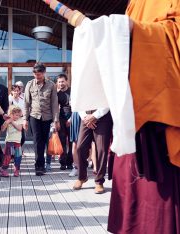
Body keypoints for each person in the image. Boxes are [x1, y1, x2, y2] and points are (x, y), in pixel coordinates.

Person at [44, 0, 180, 233]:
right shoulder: (135, 3)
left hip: (162, 117)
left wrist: (130, 30)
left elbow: (173, 38)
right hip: (130, 118)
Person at [23, 63, 60, 176]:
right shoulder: (29, 84)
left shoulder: (51, 85)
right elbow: (26, 103)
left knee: (45, 141)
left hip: (47, 117)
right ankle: (38, 166)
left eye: (39, 74)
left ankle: (44, 164)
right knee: (37, 141)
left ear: (44, 73)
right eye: (35, 74)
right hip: (34, 116)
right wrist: (25, 119)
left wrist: (55, 120)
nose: (37, 76)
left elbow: (54, 103)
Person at [72, 109, 113, 194]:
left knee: (101, 149)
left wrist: (95, 116)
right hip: (85, 117)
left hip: (103, 117)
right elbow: (79, 100)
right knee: (80, 147)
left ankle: (99, 181)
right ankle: (82, 177)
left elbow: (108, 100)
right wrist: (85, 117)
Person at [0, 105, 24, 177]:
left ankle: (16, 170)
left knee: (18, 156)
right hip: (9, 141)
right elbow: (2, 129)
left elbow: (19, 128)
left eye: (19, 115)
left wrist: (12, 122)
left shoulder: (20, 120)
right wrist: (6, 122)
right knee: (7, 156)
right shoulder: (8, 120)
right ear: (11, 114)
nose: (17, 117)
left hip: (17, 142)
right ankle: (3, 170)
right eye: (16, 115)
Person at [56, 74, 73, 170]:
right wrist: (57, 121)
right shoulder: (57, 94)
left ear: (66, 81)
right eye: (59, 82)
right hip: (61, 119)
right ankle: (63, 162)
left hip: (72, 117)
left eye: (62, 81)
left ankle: (70, 162)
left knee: (71, 142)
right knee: (62, 141)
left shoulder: (72, 92)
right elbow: (56, 108)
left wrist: (71, 119)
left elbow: (76, 107)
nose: (61, 83)